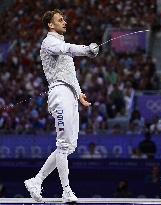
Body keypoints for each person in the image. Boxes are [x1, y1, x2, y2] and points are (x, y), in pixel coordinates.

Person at [24, 9, 99, 203]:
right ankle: (66, 191)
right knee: (63, 144)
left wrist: (79, 92)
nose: (64, 22)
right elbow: (67, 50)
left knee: (69, 146)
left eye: (64, 19)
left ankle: (36, 180)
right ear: (50, 24)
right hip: (59, 94)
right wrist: (86, 49)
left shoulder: (61, 42)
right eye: (60, 19)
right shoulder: (50, 42)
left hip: (71, 94)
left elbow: (69, 73)